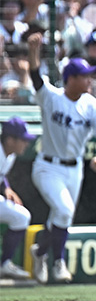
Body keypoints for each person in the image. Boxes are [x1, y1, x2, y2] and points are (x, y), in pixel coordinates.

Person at [26, 33, 96, 284]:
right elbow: (35, 78)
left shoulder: (92, 105)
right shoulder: (52, 97)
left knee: (61, 217)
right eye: (85, 75)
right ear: (71, 78)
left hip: (75, 169)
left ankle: (40, 252)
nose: (90, 79)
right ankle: (58, 261)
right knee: (64, 210)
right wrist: (33, 52)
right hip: (47, 166)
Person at [0, 117, 36, 280]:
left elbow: (2, 175)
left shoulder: (9, 154)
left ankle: (5, 264)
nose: (26, 144)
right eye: (22, 140)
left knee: (21, 216)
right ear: (9, 140)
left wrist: (6, 187)